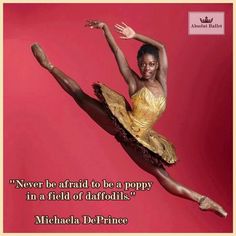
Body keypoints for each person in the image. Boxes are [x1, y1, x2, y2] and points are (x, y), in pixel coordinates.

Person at [31, 20, 227, 217]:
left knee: (161, 174)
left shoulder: (162, 82)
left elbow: (161, 46)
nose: (146, 68)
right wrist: (105, 29)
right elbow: (117, 53)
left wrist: (135, 35)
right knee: (82, 99)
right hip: (124, 125)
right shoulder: (135, 82)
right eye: (142, 64)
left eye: (151, 64)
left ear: (158, 65)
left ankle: (203, 200)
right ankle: (49, 65)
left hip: (145, 138)